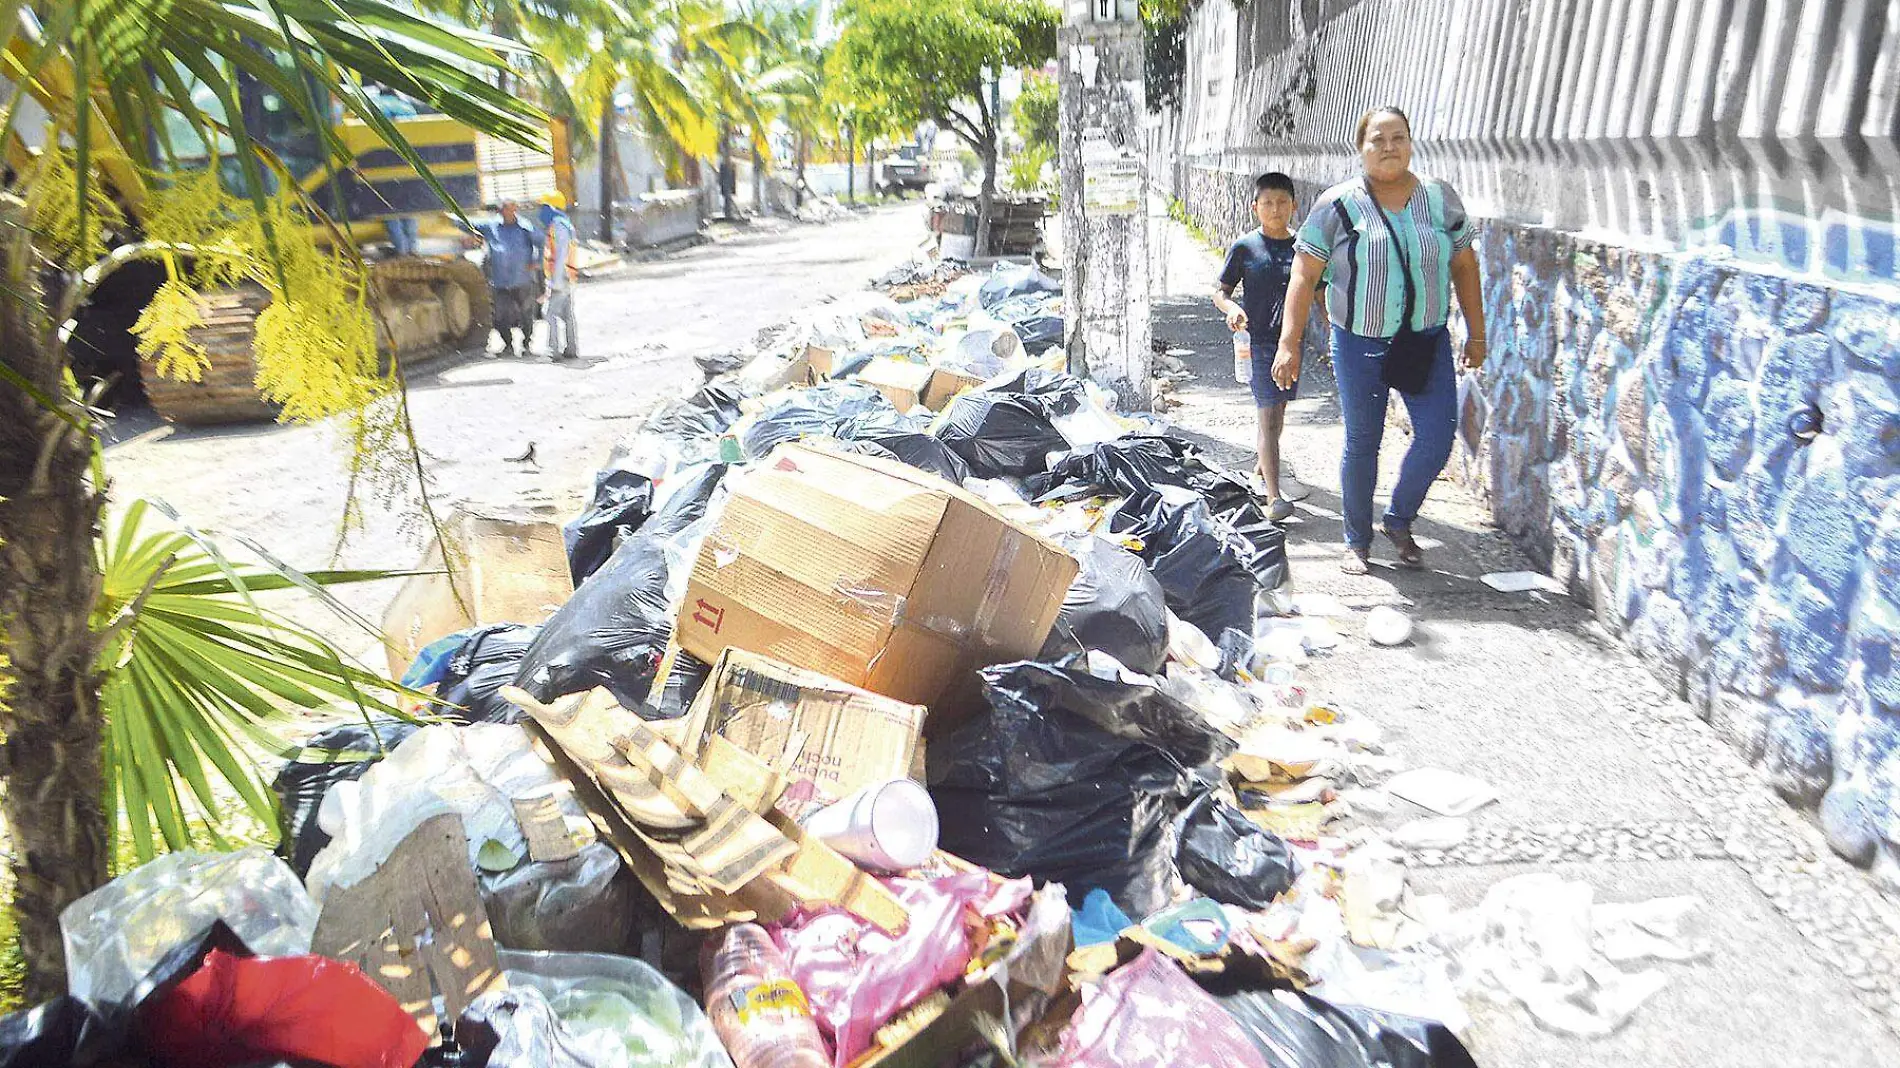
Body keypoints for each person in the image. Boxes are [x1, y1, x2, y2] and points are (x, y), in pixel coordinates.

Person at [1274, 106, 1487, 574]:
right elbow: (1305, 274)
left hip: (1424, 341)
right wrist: (1289, 342)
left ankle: (1399, 520)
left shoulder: (1439, 198)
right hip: (1360, 344)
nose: (1388, 147)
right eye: (1377, 139)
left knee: (1436, 436)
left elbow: (1465, 265)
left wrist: (1477, 332)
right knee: (1363, 440)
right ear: (1361, 147)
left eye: (1398, 137)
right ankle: (1356, 539)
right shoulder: (1339, 204)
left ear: (1411, 143)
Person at [1214, 172, 1302, 522]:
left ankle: (1263, 464)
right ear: (1255, 207)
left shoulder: (1303, 248)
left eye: (1282, 202)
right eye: (1267, 203)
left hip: (1291, 344)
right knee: (1267, 414)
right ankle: (1274, 497)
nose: (1275, 209)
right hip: (1257, 343)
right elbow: (1220, 291)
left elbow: (1319, 289)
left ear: (1294, 206)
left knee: (1279, 410)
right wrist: (1232, 308)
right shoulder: (1245, 247)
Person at [470, 201, 539, 357]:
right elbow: (470, 224)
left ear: (514, 209)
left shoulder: (525, 226)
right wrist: (451, 216)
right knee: (500, 316)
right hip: (501, 280)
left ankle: (526, 344)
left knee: (526, 314)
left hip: (521, 279)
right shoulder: (492, 226)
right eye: (504, 209)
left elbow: (541, 242)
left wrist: (537, 262)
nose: (507, 212)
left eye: (510, 208)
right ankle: (508, 345)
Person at [538, 191, 579, 361]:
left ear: (551, 207)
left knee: (550, 313)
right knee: (567, 315)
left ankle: (553, 350)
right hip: (567, 276)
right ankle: (571, 349)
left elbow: (561, 253)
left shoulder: (558, 226)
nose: (540, 211)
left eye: (543, 207)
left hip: (561, 277)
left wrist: (555, 279)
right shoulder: (565, 224)